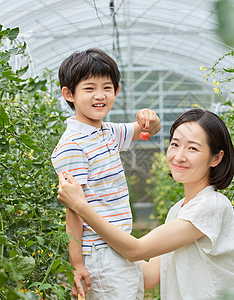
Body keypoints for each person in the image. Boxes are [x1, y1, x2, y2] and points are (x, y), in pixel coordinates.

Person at [57, 108, 234, 300]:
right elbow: (150, 275)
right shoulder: (178, 210)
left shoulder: (212, 205)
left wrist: (80, 205)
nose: (179, 156)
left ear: (217, 158)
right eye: (175, 144)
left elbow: (136, 250)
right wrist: (93, 260)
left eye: (192, 148)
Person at [51, 48, 161, 299]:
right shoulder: (73, 144)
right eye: (89, 88)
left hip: (118, 244)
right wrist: (77, 263)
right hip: (100, 253)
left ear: (116, 91)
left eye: (107, 88)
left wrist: (151, 120)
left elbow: (146, 130)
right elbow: (74, 209)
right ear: (69, 94)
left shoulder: (108, 132)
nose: (99, 96)